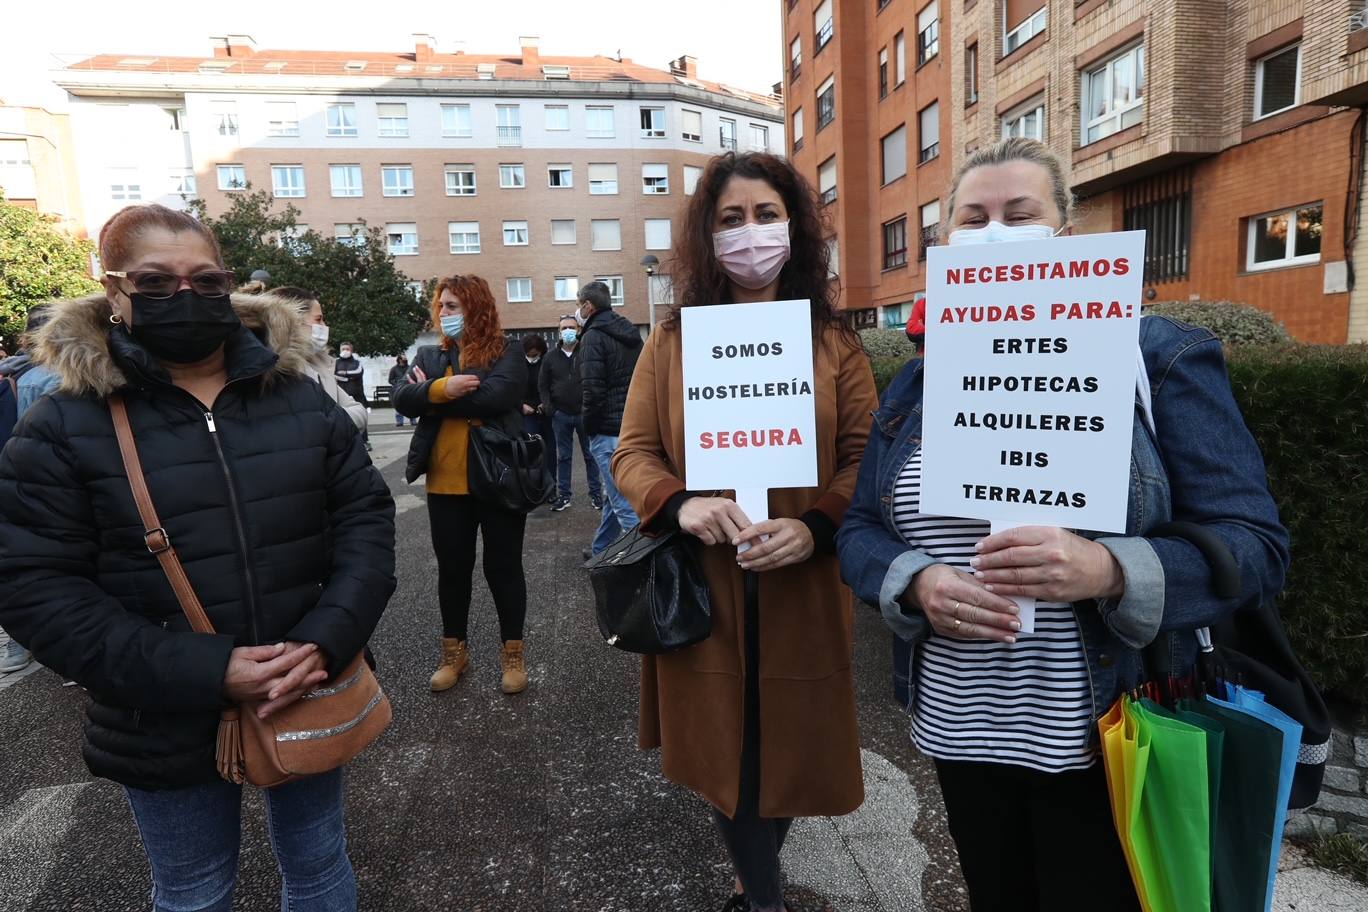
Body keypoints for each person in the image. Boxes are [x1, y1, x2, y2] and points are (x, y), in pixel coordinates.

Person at [835, 137, 1290, 912]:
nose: (995, 233)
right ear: (945, 248)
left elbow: (1257, 548)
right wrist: (916, 581)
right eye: (973, 219)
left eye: (1020, 214)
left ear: (1068, 241)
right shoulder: (917, 381)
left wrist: (1109, 571)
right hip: (961, 728)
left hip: (1108, 733)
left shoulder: (1161, 357)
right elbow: (861, 533)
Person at [0, 203, 397, 911]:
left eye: (206, 281)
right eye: (155, 282)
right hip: (160, 708)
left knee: (320, 868)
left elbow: (364, 521)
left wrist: (325, 639)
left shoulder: (298, 398)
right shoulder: (62, 424)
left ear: (229, 284)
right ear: (113, 289)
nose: (185, 298)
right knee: (192, 890)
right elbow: (35, 586)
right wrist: (209, 670)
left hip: (302, 681)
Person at [612, 151, 878, 912]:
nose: (750, 233)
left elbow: (868, 457)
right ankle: (763, 899)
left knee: (787, 749)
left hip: (799, 584)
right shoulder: (673, 342)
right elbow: (633, 452)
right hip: (705, 587)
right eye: (731, 219)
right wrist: (678, 504)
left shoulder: (836, 344)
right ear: (707, 235)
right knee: (727, 749)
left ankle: (753, 882)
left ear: (793, 226)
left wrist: (817, 527)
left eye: (766, 215)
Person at [392, 275, 531, 696]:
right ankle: (454, 653)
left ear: (477, 307)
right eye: (442, 306)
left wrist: (430, 395)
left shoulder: (508, 352)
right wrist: (441, 387)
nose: (444, 314)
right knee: (453, 571)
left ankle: (513, 654)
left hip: (498, 479)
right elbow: (402, 397)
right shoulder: (430, 354)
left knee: (503, 569)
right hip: (445, 483)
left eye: (453, 306)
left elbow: (495, 398)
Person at [0, 304, 54, 675]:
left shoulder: (26, 375)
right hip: (49, 477)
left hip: (32, 477)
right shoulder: (51, 376)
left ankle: (20, 647)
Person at [574, 281, 642, 557]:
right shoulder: (631, 333)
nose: (578, 311)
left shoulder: (592, 337)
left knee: (622, 502)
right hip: (632, 427)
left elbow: (593, 390)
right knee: (613, 494)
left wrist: (589, 428)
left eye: (579, 305)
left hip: (606, 430)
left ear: (588, 306)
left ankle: (645, 564)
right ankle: (601, 549)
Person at [262, 285, 368, 433]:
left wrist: (326, 424)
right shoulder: (273, 370)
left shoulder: (319, 363)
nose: (324, 326)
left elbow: (359, 412)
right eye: (318, 319)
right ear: (293, 321)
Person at [539, 314, 602, 513]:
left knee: (591, 456)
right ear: (559, 332)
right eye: (564, 327)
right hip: (561, 415)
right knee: (563, 457)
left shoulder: (586, 353)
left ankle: (596, 495)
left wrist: (592, 406)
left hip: (585, 414)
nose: (568, 331)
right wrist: (550, 408)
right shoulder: (550, 357)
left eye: (572, 327)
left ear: (579, 330)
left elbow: (598, 379)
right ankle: (564, 496)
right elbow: (543, 385)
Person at [520, 333, 550, 440]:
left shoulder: (547, 363)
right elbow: (510, 390)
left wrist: (546, 402)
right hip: (527, 411)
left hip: (546, 410)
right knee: (531, 444)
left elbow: (554, 385)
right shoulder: (518, 365)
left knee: (550, 446)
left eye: (535, 355)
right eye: (529, 355)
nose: (531, 358)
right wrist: (521, 405)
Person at [388, 354, 416, 427]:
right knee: (399, 405)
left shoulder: (410, 368)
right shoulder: (394, 369)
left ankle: (413, 420)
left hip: (408, 388)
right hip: (398, 389)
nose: (405, 359)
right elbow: (390, 380)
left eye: (406, 358)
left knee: (411, 405)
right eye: (404, 358)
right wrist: (397, 383)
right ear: (399, 359)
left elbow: (414, 377)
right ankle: (399, 422)